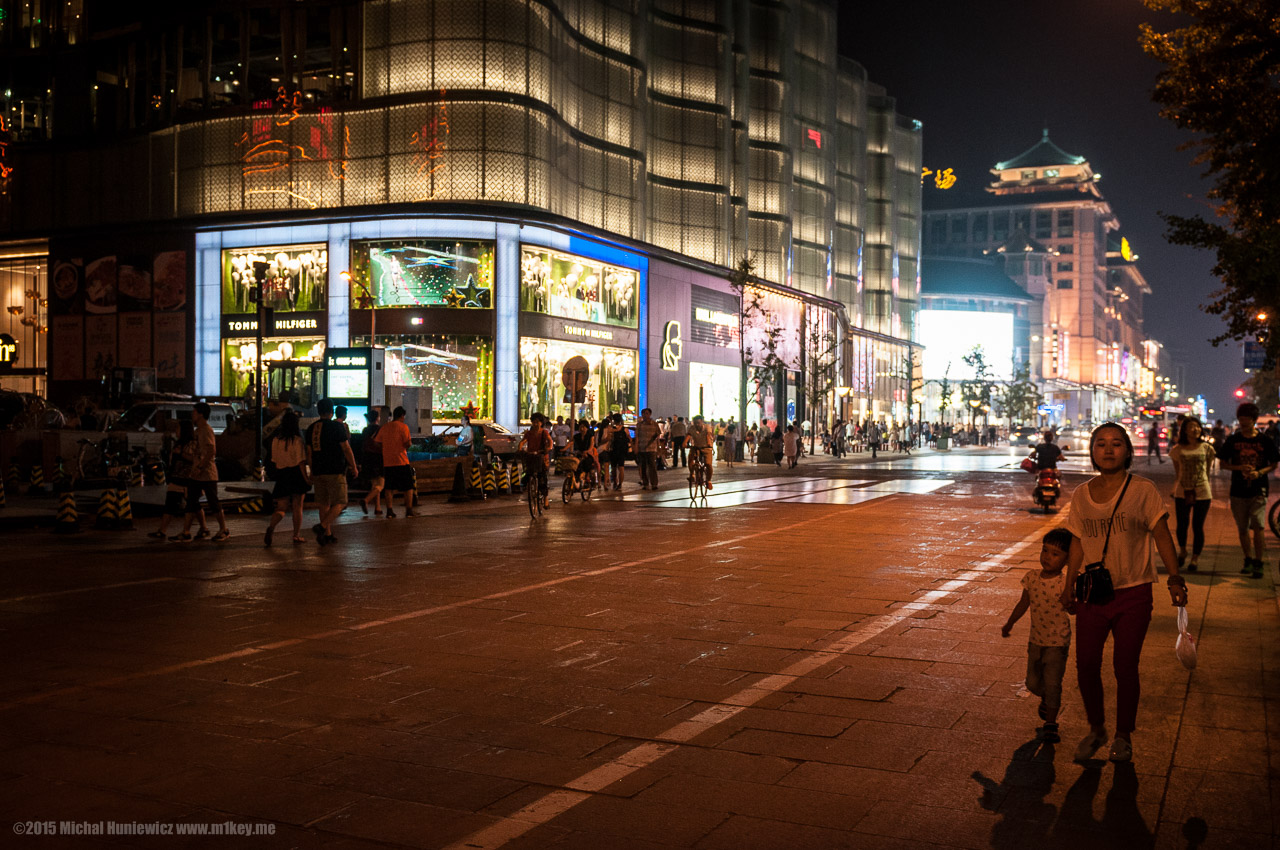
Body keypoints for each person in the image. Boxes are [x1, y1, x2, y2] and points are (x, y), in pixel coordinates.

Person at [1061, 423, 1187, 764]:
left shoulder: (1142, 490)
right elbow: (1077, 542)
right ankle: (1097, 728)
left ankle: (1123, 735)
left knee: (1125, 666)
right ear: (1092, 451)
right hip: (1092, 594)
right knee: (1086, 664)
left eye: (1116, 443)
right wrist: (1068, 584)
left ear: (1128, 451)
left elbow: (1162, 535)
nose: (1108, 449)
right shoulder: (1082, 494)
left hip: (1133, 593)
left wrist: (1175, 578)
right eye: (1101, 443)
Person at [1001, 527, 1074, 744]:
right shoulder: (1031, 578)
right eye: (1045, 550)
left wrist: (1071, 603)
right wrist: (1010, 623)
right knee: (1032, 683)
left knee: (1053, 683)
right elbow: (1023, 603)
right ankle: (1047, 699)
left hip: (1058, 642)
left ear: (1067, 559)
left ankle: (1051, 723)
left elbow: (1073, 609)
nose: (1047, 557)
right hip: (1036, 641)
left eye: (1055, 554)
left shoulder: (1065, 583)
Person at [1219, 402, 1280, 578]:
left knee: (1259, 526)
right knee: (1242, 528)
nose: (1243, 422)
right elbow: (1223, 463)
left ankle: (1259, 562)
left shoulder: (1264, 441)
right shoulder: (1233, 440)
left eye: (1246, 419)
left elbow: (1273, 464)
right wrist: (1239, 468)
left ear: (1253, 420)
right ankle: (1248, 558)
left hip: (1259, 489)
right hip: (1238, 490)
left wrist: (1259, 472)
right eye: (1241, 419)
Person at [306, 398, 359, 545]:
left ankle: (327, 535)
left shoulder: (311, 428)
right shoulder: (337, 427)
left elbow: (309, 453)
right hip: (335, 470)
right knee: (341, 502)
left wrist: (312, 470)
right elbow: (346, 448)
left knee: (323, 503)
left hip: (318, 470)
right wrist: (353, 466)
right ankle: (322, 527)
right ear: (332, 411)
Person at [177, 402, 229, 542]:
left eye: (194, 412)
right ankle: (186, 531)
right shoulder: (198, 430)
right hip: (196, 473)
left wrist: (200, 467)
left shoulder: (206, 430)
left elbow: (211, 451)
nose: (192, 414)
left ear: (200, 414)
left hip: (207, 473)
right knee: (191, 502)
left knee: (213, 502)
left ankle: (223, 529)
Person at [1169, 417, 1214, 573]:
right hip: (1182, 492)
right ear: (1185, 430)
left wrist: (1206, 485)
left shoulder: (1207, 448)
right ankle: (1183, 551)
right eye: (1191, 426)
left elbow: (1207, 471)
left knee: (1198, 526)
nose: (1195, 429)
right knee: (1182, 524)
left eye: (1197, 426)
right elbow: (1178, 473)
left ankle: (1195, 558)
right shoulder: (1177, 449)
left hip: (1202, 491)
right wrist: (1174, 488)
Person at [149, 421, 208, 541]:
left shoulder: (192, 444)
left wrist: (180, 454)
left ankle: (201, 528)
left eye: (178, 428)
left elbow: (194, 459)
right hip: (176, 478)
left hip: (188, 479)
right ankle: (162, 530)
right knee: (171, 503)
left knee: (193, 505)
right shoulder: (179, 443)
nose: (176, 431)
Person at [264, 410, 310, 546]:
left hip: (282, 474)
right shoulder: (297, 440)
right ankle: (296, 535)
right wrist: (306, 479)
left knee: (281, 507)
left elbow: (274, 460)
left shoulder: (276, 440)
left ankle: (271, 526)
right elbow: (301, 462)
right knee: (297, 506)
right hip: (296, 474)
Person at [375, 406, 415, 519]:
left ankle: (389, 511)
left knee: (389, 487)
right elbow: (408, 443)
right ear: (402, 416)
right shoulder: (403, 427)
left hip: (388, 462)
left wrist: (386, 448)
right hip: (401, 461)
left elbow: (377, 442)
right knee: (408, 487)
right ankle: (409, 510)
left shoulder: (385, 427)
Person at [519, 413, 553, 505]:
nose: (535, 424)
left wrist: (548, 448)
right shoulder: (529, 433)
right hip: (531, 456)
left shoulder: (544, 432)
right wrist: (520, 449)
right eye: (534, 422)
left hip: (542, 457)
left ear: (541, 423)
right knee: (527, 473)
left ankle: (545, 498)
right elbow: (523, 441)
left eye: (537, 422)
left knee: (542, 477)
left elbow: (550, 441)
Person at [360, 408, 386, 515]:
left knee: (375, 484)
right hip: (378, 459)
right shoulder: (380, 429)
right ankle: (366, 500)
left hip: (367, 459)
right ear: (377, 418)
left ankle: (377, 508)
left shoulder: (365, 430)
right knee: (381, 485)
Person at [634, 408, 661, 490]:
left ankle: (654, 484)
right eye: (643, 414)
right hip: (642, 448)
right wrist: (636, 447)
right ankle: (645, 483)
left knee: (652, 466)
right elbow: (637, 437)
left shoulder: (654, 424)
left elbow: (657, 436)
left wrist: (659, 448)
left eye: (646, 413)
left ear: (650, 414)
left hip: (652, 448)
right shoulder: (639, 425)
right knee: (643, 467)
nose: (645, 415)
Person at [687, 414, 715, 489]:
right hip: (696, 447)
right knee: (690, 458)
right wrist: (684, 444)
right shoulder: (692, 428)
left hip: (706, 447)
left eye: (698, 423)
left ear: (702, 422)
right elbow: (688, 436)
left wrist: (708, 443)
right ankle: (692, 474)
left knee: (708, 464)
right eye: (695, 423)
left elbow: (708, 435)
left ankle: (709, 481)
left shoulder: (707, 427)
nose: (697, 425)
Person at [609, 413, 630, 490]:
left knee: (614, 468)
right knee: (621, 468)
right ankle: (620, 484)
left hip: (614, 450)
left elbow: (610, 440)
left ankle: (615, 482)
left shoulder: (611, 429)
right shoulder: (625, 429)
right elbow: (629, 439)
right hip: (622, 450)